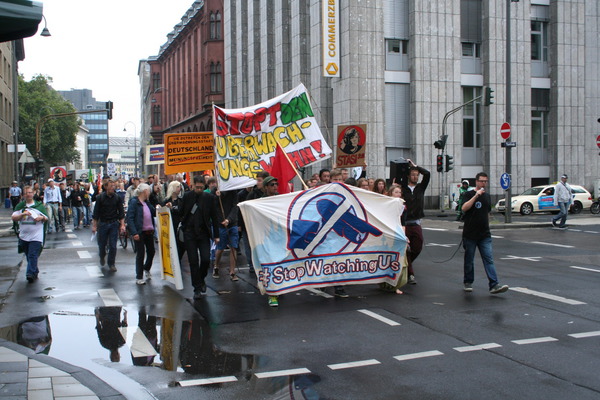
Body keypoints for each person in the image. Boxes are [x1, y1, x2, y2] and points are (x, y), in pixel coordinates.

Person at [461, 172, 509, 294]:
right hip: (470, 234)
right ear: (476, 181)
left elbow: (487, 212)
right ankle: (468, 281)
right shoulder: (468, 194)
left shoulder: (487, 196)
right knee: (469, 259)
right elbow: (464, 208)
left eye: (485, 181)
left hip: (484, 235)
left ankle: (494, 284)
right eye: (482, 181)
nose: (484, 184)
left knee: (489, 259)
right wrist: (476, 196)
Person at [180, 175, 220, 299]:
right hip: (190, 232)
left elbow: (214, 216)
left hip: (203, 232)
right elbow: (181, 212)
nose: (199, 190)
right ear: (193, 186)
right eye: (197, 187)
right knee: (193, 261)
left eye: (201, 188)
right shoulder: (187, 196)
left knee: (205, 259)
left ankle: (201, 279)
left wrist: (216, 235)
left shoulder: (209, 198)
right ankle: (197, 287)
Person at [400, 159, 430, 285]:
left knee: (417, 247)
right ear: (408, 176)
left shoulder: (420, 188)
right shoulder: (403, 189)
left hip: (416, 222)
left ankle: (407, 265)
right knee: (406, 249)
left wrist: (415, 166)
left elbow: (427, 174)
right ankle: (410, 274)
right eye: (413, 174)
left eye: (417, 175)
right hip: (405, 223)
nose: (415, 177)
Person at [12, 186, 48, 282]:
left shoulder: (39, 206)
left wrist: (41, 218)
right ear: (24, 195)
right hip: (24, 236)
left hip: (36, 236)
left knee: (32, 254)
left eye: (30, 192)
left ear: (33, 193)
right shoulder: (21, 206)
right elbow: (14, 217)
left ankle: (30, 274)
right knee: (28, 255)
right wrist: (22, 215)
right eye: (27, 193)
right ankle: (35, 270)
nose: (29, 194)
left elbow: (46, 218)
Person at [92, 180, 126, 272]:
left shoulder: (117, 198)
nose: (112, 188)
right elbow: (96, 213)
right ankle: (102, 256)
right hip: (103, 223)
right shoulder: (100, 198)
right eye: (111, 186)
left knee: (113, 245)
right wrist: (94, 226)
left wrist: (122, 224)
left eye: (114, 186)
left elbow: (121, 212)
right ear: (106, 187)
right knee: (101, 244)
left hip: (113, 223)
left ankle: (111, 264)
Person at [127, 183, 156, 285]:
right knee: (141, 253)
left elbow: (154, 212)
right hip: (139, 232)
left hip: (149, 231)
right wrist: (134, 232)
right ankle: (139, 276)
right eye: (148, 191)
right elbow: (130, 218)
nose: (149, 192)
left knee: (151, 251)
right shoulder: (134, 202)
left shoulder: (147, 203)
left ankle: (146, 268)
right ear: (144, 191)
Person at [213, 189, 240, 280]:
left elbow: (235, 207)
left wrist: (229, 219)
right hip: (221, 225)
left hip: (232, 223)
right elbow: (214, 207)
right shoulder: (215, 191)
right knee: (220, 248)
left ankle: (232, 271)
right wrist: (217, 196)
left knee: (233, 247)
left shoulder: (233, 191)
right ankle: (216, 265)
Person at [163, 181, 185, 259]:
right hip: (169, 224)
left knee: (181, 243)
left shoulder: (181, 200)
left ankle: (178, 258)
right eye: (178, 187)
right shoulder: (166, 200)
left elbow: (181, 211)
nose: (180, 189)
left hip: (179, 224)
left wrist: (172, 208)